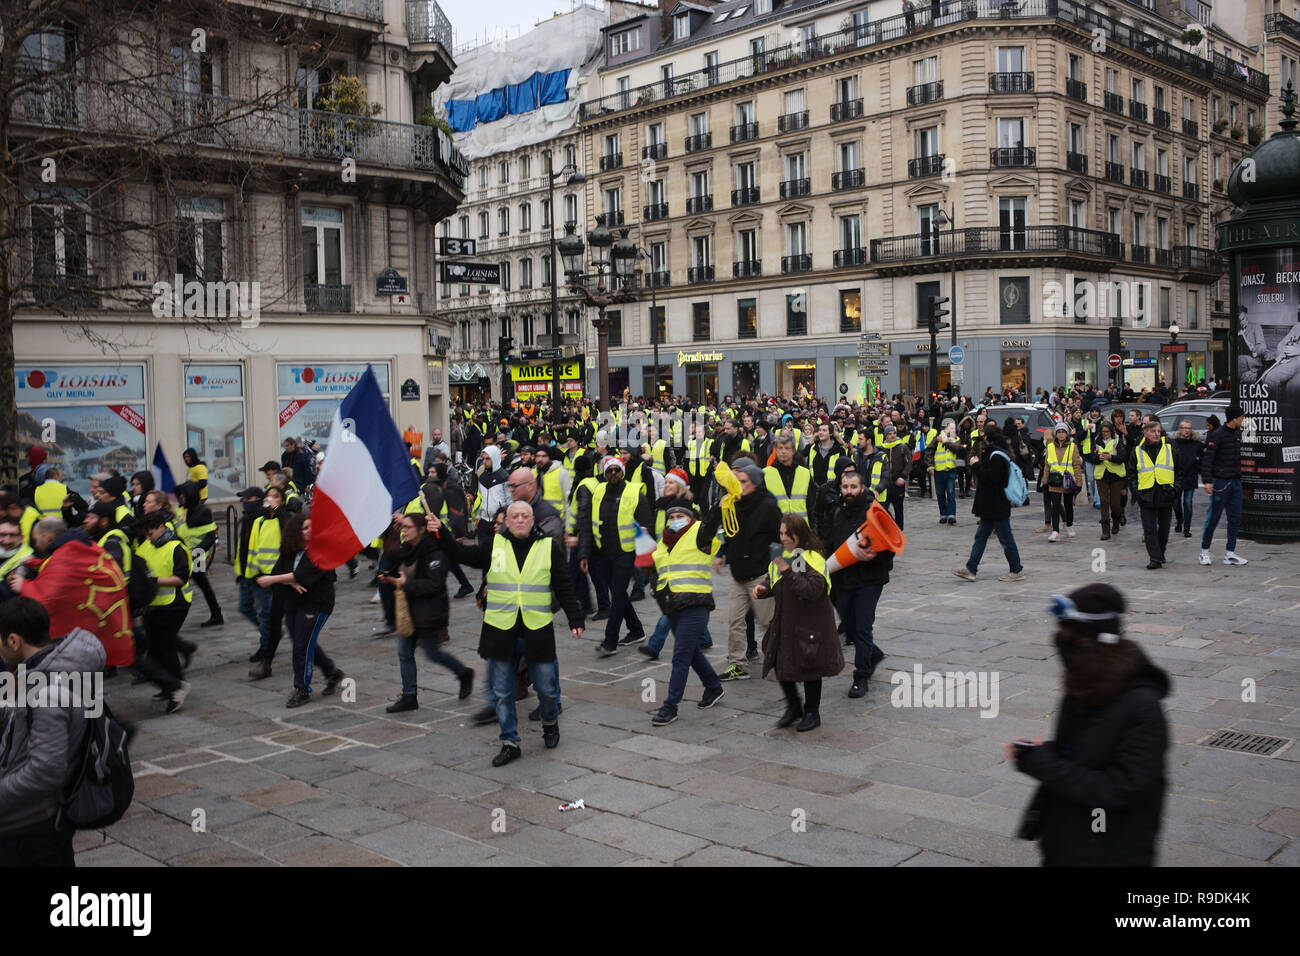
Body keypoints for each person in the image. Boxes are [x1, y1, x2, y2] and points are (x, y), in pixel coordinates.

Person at [1008, 584, 1170, 866]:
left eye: (1067, 637)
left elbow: (1119, 789)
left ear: (1088, 642)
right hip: (1067, 842)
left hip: (1112, 852)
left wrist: (1041, 763)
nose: (1060, 643)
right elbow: (1086, 753)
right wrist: (1041, 751)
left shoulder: (1142, 708)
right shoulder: (1084, 681)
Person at [430, 502, 583, 767]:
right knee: (502, 691)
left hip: (537, 629)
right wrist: (440, 531)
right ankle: (510, 742)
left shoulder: (548, 547)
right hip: (500, 630)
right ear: (507, 522)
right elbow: (461, 554)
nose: (520, 520)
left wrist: (575, 617)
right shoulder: (494, 545)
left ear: (532, 520)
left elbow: (564, 585)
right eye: (515, 516)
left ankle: (549, 722)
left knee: (547, 688)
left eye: (525, 516)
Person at [0, 598, 105, 866]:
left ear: (14, 641)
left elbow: (46, 770)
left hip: (31, 828)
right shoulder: (44, 672)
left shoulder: (48, 691)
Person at [695, 457, 781, 681]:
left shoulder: (768, 506)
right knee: (735, 621)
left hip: (760, 574)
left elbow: (779, 538)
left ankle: (782, 655)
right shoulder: (730, 504)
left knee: (767, 621)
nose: (738, 485)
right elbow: (723, 532)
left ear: (755, 483)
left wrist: (776, 567)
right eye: (737, 481)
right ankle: (738, 664)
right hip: (738, 574)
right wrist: (722, 554)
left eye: (743, 481)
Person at [755, 515, 843, 731]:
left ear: (799, 535)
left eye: (788, 534)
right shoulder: (782, 556)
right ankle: (794, 706)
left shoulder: (812, 558)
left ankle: (812, 712)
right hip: (786, 623)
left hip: (811, 625)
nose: (783, 538)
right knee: (779, 661)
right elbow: (775, 580)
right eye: (781, 533)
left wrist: (786, 569)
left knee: (811, 668)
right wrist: (764, 589)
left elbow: (812, 591)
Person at [383, 511, 474, 713]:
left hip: (428, 611)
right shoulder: (406, 550)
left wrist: (406, 584)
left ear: (422, 530)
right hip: (407, 610)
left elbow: (434, 584)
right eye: (402, 527)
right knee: (404, 652)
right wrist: (389, 578)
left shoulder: (435, 552)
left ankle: (463, 672)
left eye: (408, 527)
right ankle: (409, 696)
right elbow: (401, 572)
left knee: (433, 653)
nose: (403, 531)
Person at [647, 503, 726, 726]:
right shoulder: (663, 542)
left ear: (690, 519)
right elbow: (657, 571)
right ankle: (713, 687)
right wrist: (658, 593)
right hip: (672, 607)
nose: (675, 519)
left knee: (680, 655)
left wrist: (720, 504)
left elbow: (710, 523)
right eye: (671, 516)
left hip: (696, 605)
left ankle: (670, 706)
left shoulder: (699, 535)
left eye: (680, 516)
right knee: (690, 652)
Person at [255, 513, 345, 707]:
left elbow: (302, 575)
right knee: (302, 640)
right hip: (294, 603)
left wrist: (279, 579)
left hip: (317, 603)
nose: (310, 531)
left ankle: (302, 688)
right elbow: (281, 572)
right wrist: (290, 582)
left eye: (312, 527)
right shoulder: (290, 551)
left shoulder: (321, 551)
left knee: (302, 645)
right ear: (296, 531)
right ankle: (332, 672)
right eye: (305, 528)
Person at [824, 469, 892, 697]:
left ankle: (861, 676)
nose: (849, 491)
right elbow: (828, 542)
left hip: (870, 578)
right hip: (843, 579)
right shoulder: (836, 511)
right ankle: (873, 653)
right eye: (845, 487)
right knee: (850, 627)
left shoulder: (874, 511)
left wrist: (877, 556)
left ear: (862, 488)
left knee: (862, 627)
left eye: (853, 487)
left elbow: (892, 543)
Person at [579, 456, 651, 657]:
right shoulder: (599, 490)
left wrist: (645, 553)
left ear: (622, 472)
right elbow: (587, 522)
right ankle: (636, 630)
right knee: (618, 593)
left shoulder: (634, 492)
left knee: (618, 593)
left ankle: (610, 641)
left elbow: (647, 523)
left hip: (626, 552)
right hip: (603, 552)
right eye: (609, 471)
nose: (612, 474)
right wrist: (585, 552)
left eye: (616, 470)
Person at [133, 510, 193, 712]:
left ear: (162, 527)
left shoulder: (176, 547)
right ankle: (171, 686)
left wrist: (153, 581)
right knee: (156, 646)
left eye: (152, 533)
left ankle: (177, 686)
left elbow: (181, 578)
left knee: (164, 644)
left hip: (175, 603)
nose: (149, 538)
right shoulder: (144, 547)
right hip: (153, 605)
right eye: (147, 535)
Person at [953, 423, 1025, 582]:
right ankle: (971, 568)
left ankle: (1016, 569)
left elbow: (991, 478)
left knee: (1006, 538)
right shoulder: (995, 453)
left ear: (988, 437)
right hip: (990, 505)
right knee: (981, 536)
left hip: (997, 504)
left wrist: (975, 465)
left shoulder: (997, 455)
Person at [247, 486, 292, 680]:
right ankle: (266, 662)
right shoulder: (259, 520)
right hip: (265, 578)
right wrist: (251, 574)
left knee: (297, 625)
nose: (270, 499)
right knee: (272, 620)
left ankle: (326, 668)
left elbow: (287, 532)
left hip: (285, 578)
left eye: (275, 496)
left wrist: (280, 510)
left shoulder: (286, 518)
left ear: (282, 501)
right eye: (268, 496)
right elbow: (252, 547)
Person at [1199, 405, 1248, 566]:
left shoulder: (1237, 434)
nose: (1243, 420)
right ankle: (1204, 551)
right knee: (1213, 517)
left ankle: (1230, 553)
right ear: (1234, 418)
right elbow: (1208, 459)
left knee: (1235, 517)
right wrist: (1207, 481)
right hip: (1220, 482)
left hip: (1235, 481)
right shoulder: (1217, 435)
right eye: (1242, 417)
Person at [174, 481, 223, 628]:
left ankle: (216, 614)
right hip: (185, 554)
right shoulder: (182, 510)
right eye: (180, 494)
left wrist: (195, 553)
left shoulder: (203, 511)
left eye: (183, 494)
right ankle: (216, 614)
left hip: (197, 556)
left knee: (200, 584)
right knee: (202, 584)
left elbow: (210, 537)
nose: (181, 497)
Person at [1132, 420, 1175, 570]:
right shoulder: (1137, 450)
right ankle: (1154, 558)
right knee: (1149, 529)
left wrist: (1176, 490)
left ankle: (1160, 552)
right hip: (1146, 494)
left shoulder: (1169, 448)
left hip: (1166, 493)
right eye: (1153, 431)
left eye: (1158, 431)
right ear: (1146, 433)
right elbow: (1132, 474)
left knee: (1164, 528)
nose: (1157, 434)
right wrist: (1137, 493)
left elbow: (1180, 471)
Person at [1041, 423, 1082, 542]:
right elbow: (1047, 466)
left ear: (1067, 434)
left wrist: (1079, 482)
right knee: (1056, 505)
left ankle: (1069, 524)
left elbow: (1076, 465)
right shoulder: (1050, 447)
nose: (1061, 434)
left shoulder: (1072, 447)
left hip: (1068, 481)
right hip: (1054, 481)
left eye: (1063, 432)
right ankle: (1055, 531)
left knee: (1068, 505)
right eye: (1058, 432)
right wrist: (1044, 481)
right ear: (1055, 434)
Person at [925, 417, 963, 524]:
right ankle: (943, 514)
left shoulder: (956, 439)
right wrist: (930, 466)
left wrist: (945, 441)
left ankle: (951, 514)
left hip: (950, 469)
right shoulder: (937, 439)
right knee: (940, 493)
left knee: (950, 492)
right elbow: (928, 452)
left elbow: (956, 448)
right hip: (938, 470)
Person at [1171, 419, 1203, 538]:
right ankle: (1179, 521)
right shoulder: (1174, 443)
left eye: (1189, 428)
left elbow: (1202, 459)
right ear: (1180, 429)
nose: (1187, 431)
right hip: (1177, 478)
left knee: (1188, 503)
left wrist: (1198, 463)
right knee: (1176, 503)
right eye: (1184, 428)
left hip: (1190, 477)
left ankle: (1187, 528)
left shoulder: (1197, 444)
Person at [1094, 422, 1126, 540]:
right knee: (1103, 501)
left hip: (1116, 475)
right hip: (1101, 475)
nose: (1105, 434)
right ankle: (1105, 530)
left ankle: (1116, 520)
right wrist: (1098, 458)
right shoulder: (1096, 441)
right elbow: (1090, 456)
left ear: (1111, 432)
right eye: (1103, 432)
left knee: (1115, 504)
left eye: (1107, 432)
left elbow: (1123, 457)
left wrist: (1111, 457)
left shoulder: (1118, 441)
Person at [880, 424, 912, 530]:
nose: (892, 436)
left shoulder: (902, 447)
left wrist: (903, 476)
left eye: (894, 433)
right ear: (886, 436)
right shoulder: (881, 449)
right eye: (889, 434)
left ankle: (899, 529)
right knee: (883, 508)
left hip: (898, 483)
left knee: (898, 508)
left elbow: (908, 464)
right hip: (884, 484)